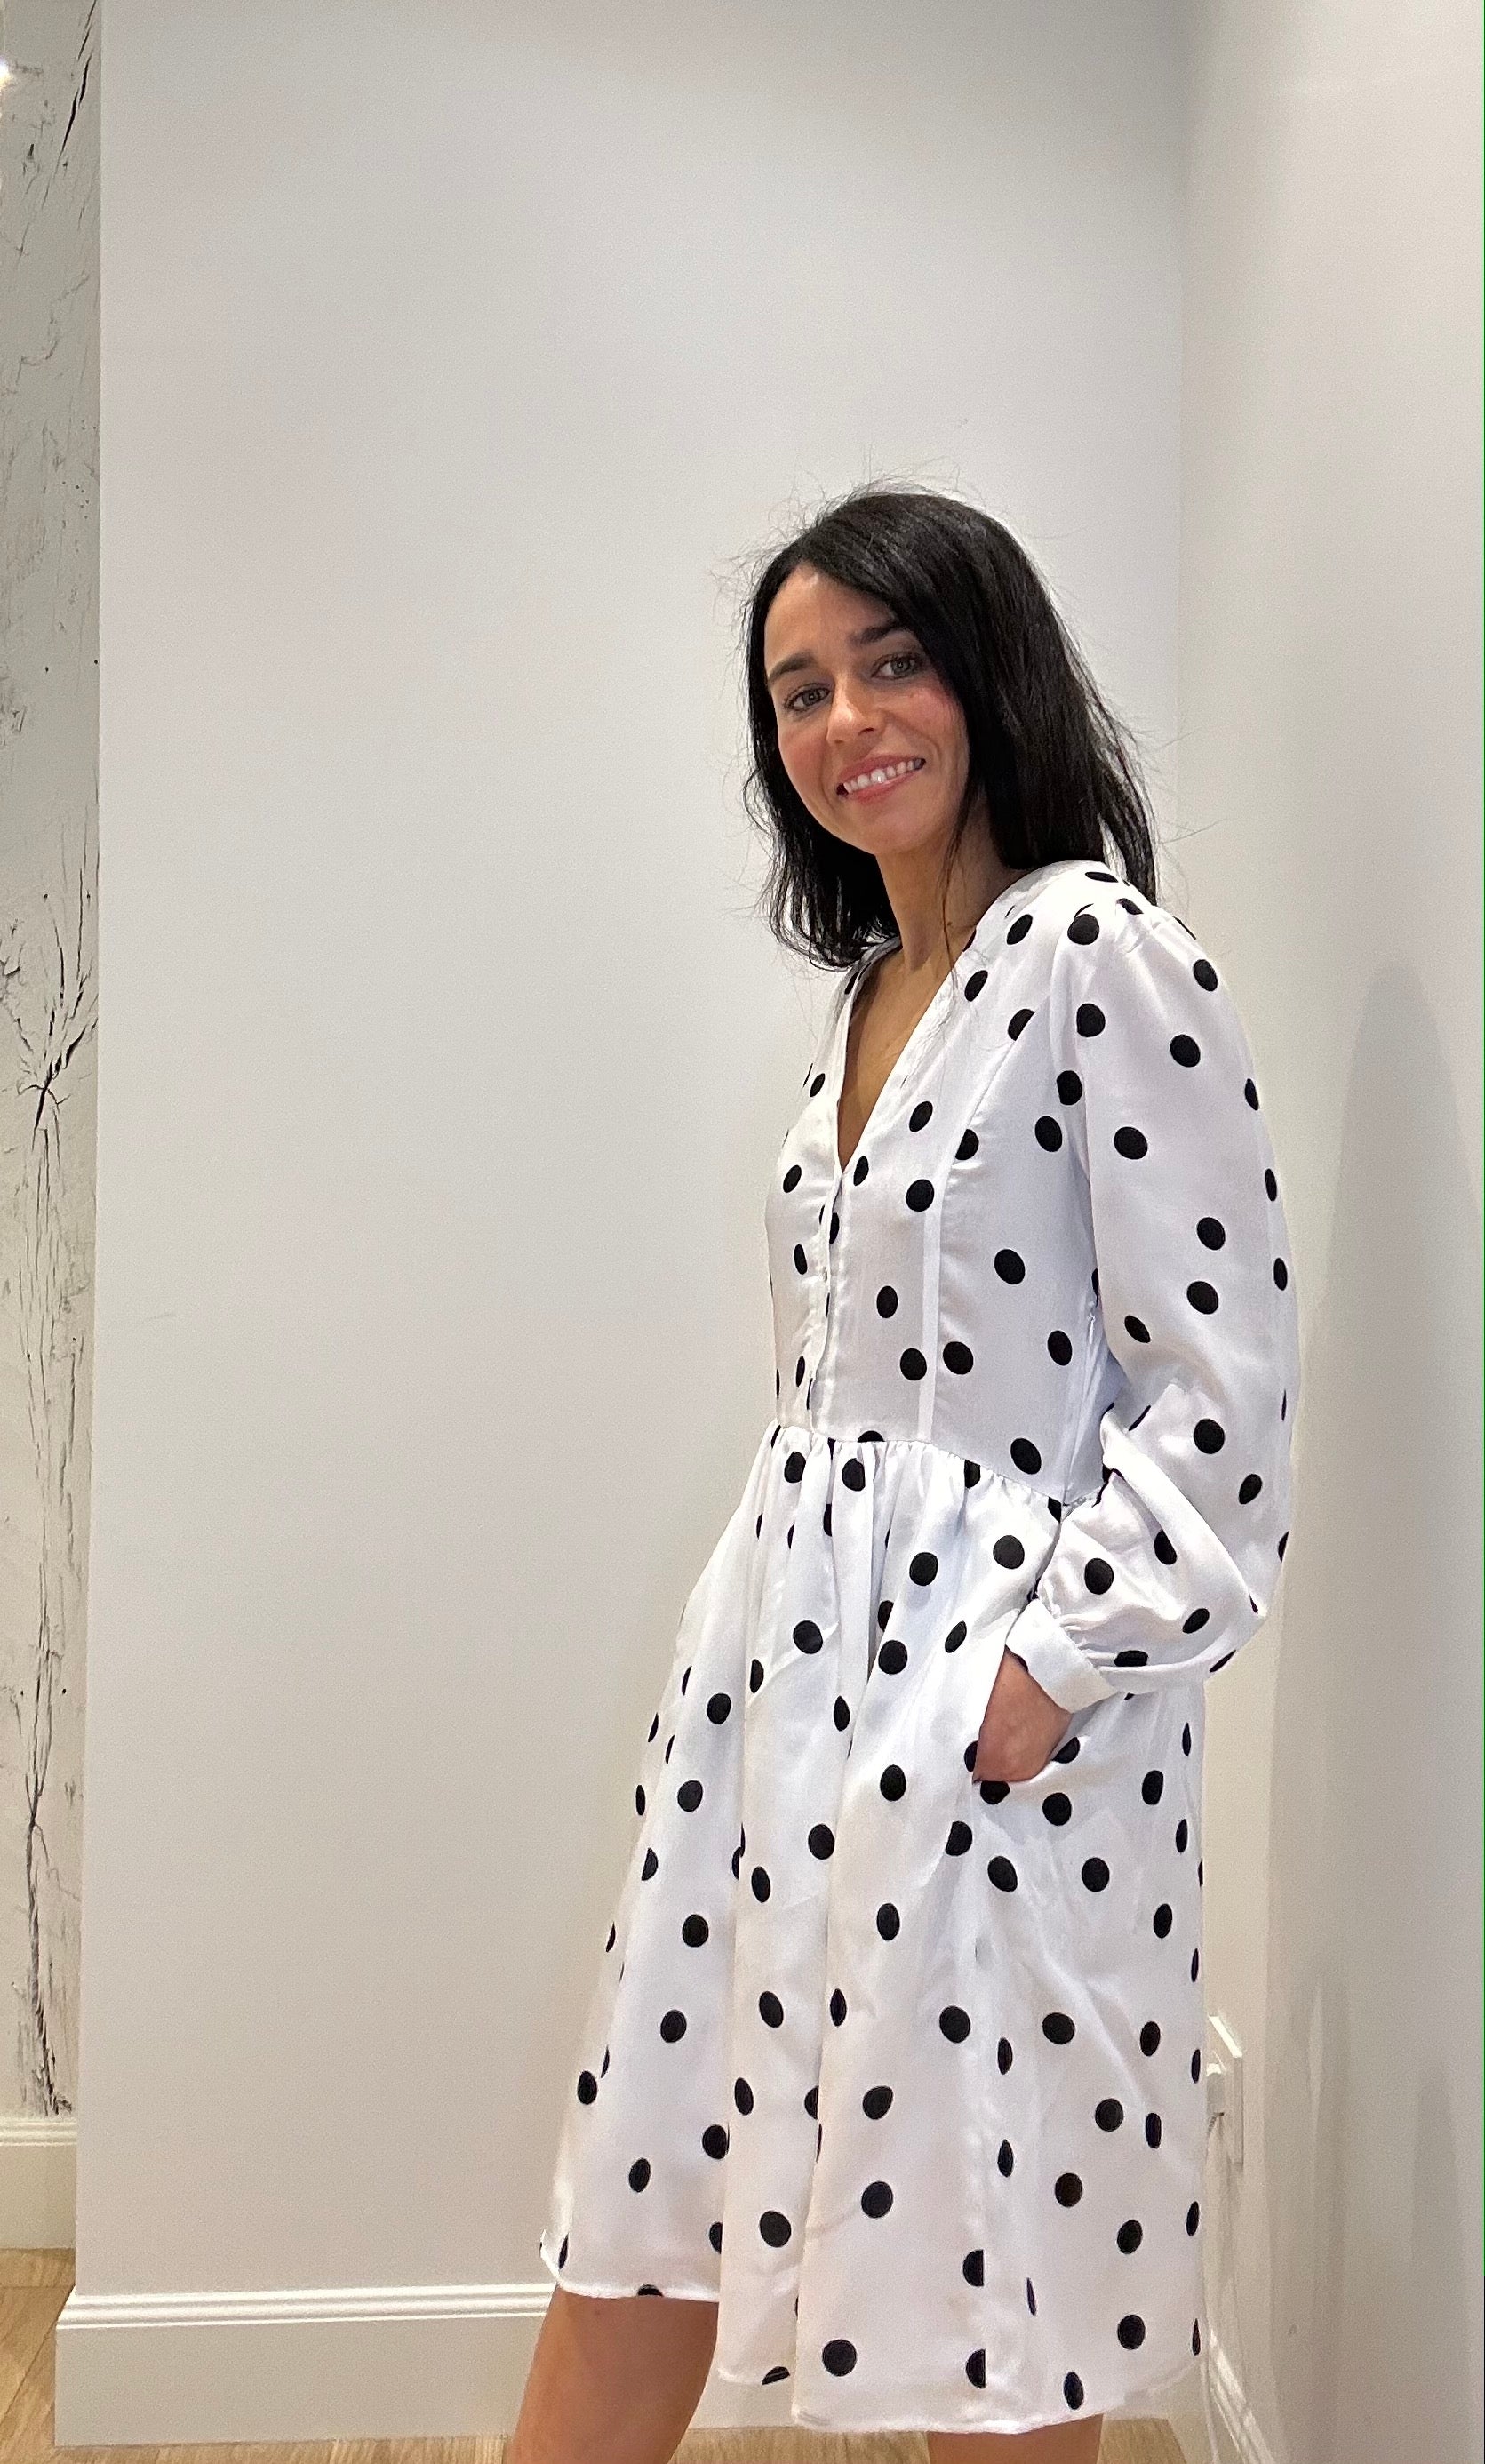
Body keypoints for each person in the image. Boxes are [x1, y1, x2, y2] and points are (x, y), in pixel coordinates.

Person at [511, 484, 1301, 2464]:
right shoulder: (871, 989)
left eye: (889, 662)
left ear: (986, 673)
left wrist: (1029, 1685)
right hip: (776, 1694)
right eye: (798, 689)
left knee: (988, 2249)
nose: (845, 718)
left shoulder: (1094, 954)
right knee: (650, 2200)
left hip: (986, 1711)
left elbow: (1221, 1388)